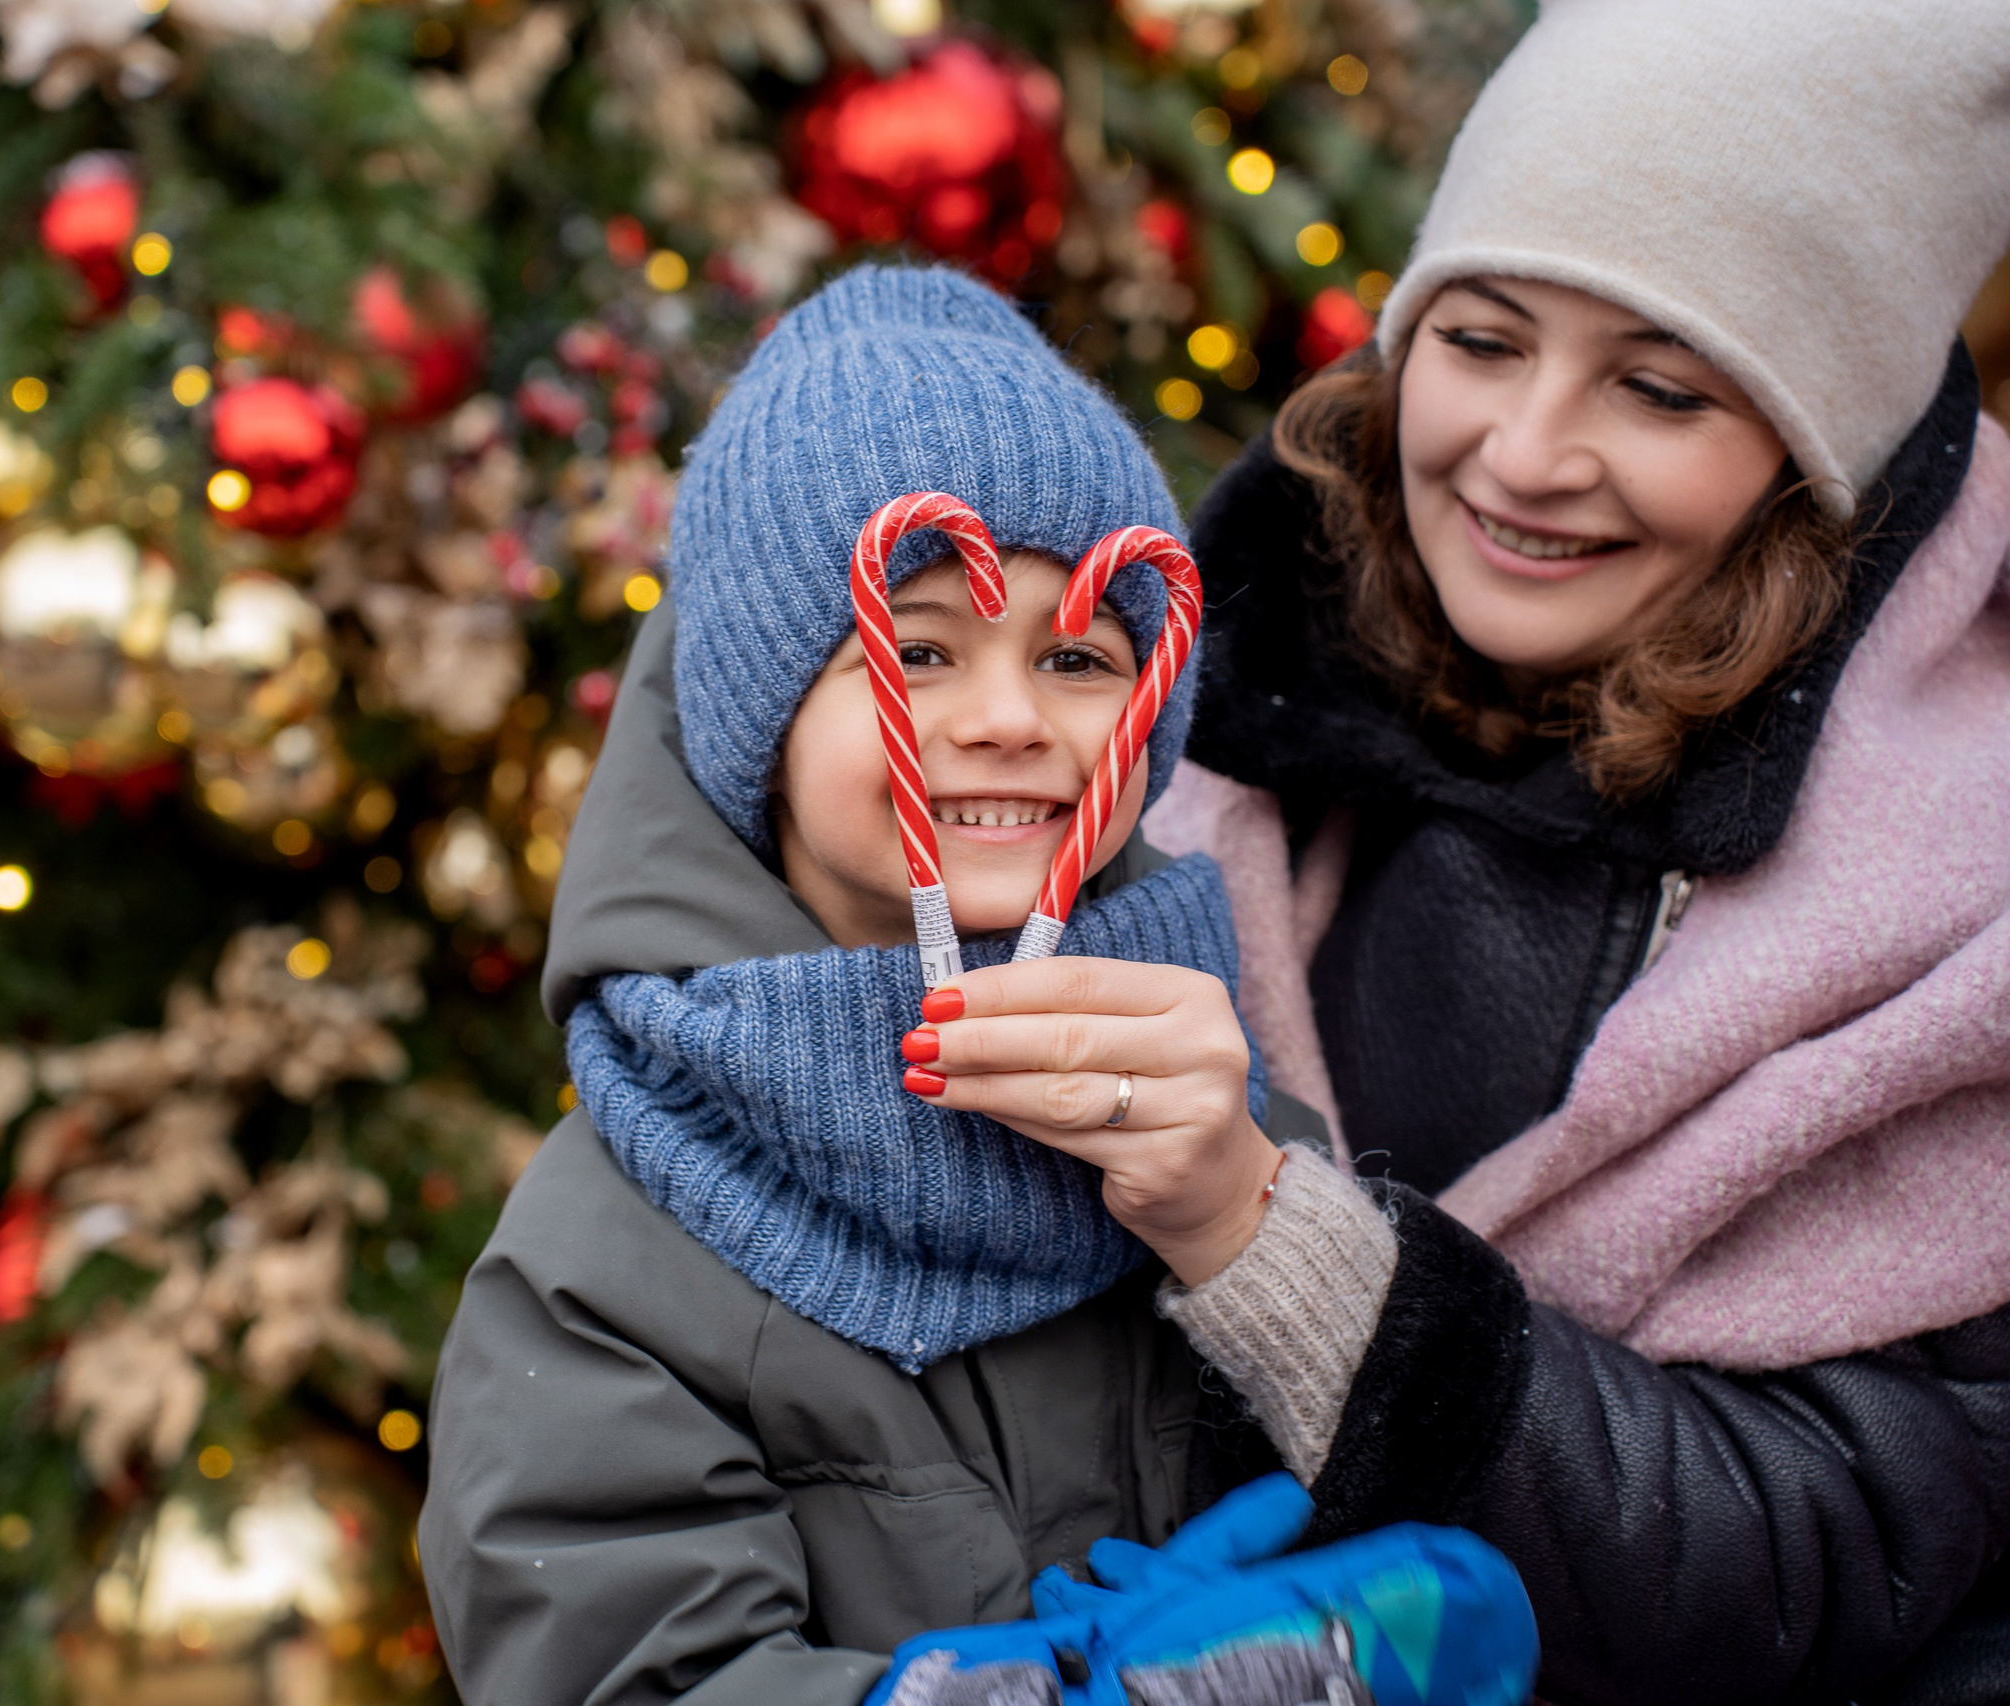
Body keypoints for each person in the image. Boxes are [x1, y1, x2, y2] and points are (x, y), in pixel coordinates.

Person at [417, 266, 1532, 1706]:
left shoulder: (1205, 1086)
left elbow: (1418, 1494)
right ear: (760, 719)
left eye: (1078, 655)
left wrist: (1248, 1228)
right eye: (921, 649)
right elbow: (618, 1661)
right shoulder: (611, 1257)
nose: (1007, 718)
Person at [1108, 1, 2010, 1701]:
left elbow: (1829, 1547)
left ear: (1832, 449)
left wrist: (1284, 1250)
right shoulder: (1198, 700)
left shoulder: (1969, 911)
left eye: (1660, 386)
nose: (1522, 458)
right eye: (1484, 338)